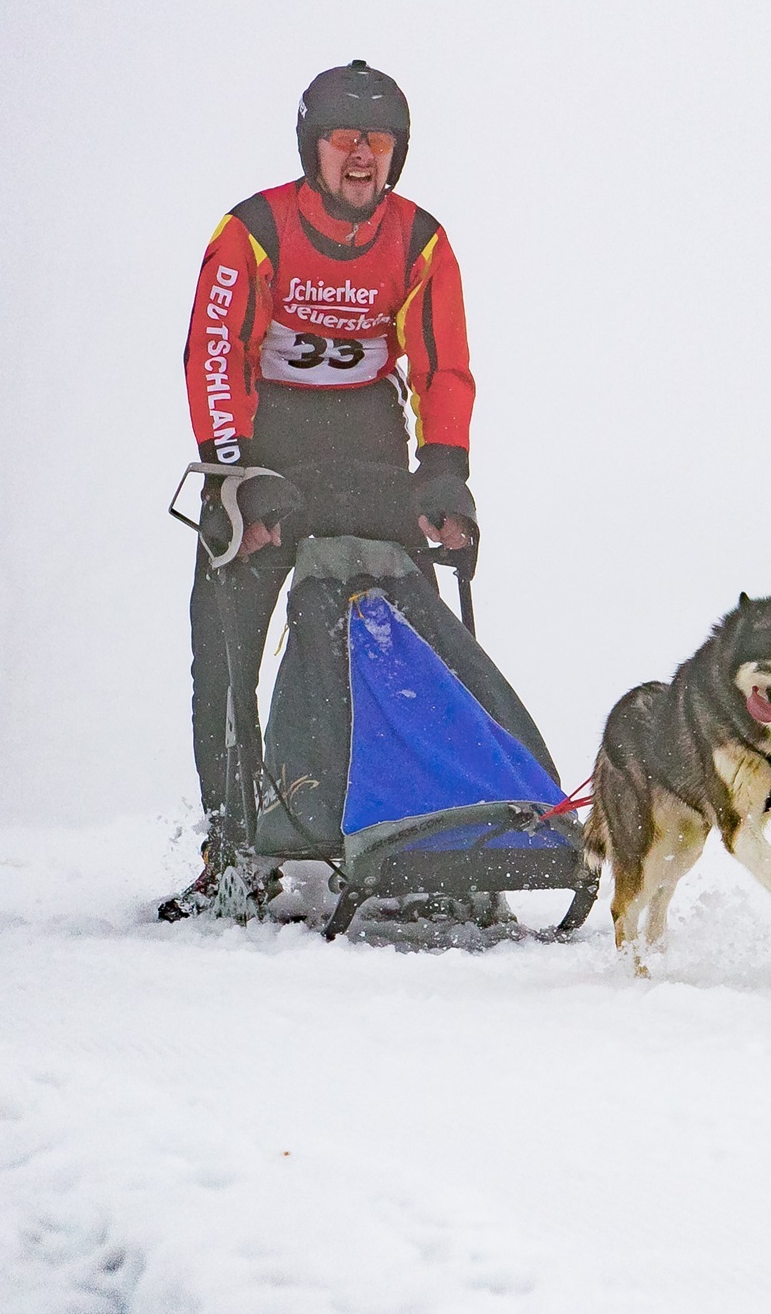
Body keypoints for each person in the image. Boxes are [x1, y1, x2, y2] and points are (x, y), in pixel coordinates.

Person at [162, 60, 478, 920]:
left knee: (405, 629)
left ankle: (419, 835)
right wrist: (232, 473)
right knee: (223, 640)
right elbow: (215, 353)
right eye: (345, 139)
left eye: (378, 141)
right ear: (314, 148)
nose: (361, 155)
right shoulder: (254, 230)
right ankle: (234, 851)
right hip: (266, 439)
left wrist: (444, 472)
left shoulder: (421, 241)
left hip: (368, 437)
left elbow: (442, 363)